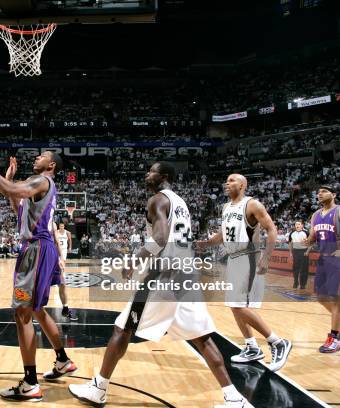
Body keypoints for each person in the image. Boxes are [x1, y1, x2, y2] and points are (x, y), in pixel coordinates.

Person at [69, 162, 252, 408]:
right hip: (186, 275)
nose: (147, 174)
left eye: (152, 171)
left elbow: (160, 237)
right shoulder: (181, 203)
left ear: (163, 177)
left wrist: (134, 260)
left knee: (123, 329)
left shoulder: (157, 200)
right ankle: (234, 398)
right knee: (202, 339)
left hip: (163, 277)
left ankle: (98, 388)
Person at [0, 147, 77, 402]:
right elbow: (19, 208)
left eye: (43, 155)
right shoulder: (40, 186)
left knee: (22, 313)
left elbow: (11, 190)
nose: (38, 156)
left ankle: (30, 383)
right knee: (36, 309)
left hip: (36, 250)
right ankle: (62, 359)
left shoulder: (41, 180)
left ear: (52, 166)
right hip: (39, 249)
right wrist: (11, 181)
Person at [197, 174, 291, 371]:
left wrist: (266, 258)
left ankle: (277, 342)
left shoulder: (252, 204)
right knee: (234, 306)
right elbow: (224, 234)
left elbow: (272, 230)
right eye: (227, 180)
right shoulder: (226, 207)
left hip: (249, 256)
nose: (227, 182)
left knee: (238, 305)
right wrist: (206, 243)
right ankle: (251, 347)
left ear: (243, 184)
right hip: (233, 258)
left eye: (231, 180)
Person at [302, 184, 339, 353]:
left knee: (336, 298)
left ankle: (335, 337)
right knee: (321, 296)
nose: (320, 194)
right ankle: (337, 321)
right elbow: (313, 237)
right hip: (323, 260)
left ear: (334, 194)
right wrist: (307, 241)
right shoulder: (315, 215)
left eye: (324, 191)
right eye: (318, 192)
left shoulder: (338, 211)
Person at [53, 220, 77, 320]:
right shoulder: (55, 231)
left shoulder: (65, 232)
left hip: (60, 252)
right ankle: (36, 312)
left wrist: (62, 257)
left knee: (62, 283)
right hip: (50, 254)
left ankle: (65, 309)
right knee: (41, 286)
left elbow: (61, 242)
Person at [288, 221, 309, 289]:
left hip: (304, 252)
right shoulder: (292, 233)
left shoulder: (306, 232)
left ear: (302, 225)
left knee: (304, 269)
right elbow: (290, 243)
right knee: (295, 268)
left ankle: (303, 284)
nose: (297, 225)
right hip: (295, 252)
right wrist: (290, 252)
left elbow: (311, 243)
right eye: (296, 224)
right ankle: (295, 282)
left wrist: (307, 251)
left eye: (299, 224)